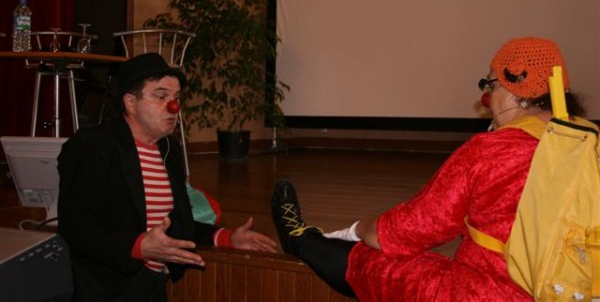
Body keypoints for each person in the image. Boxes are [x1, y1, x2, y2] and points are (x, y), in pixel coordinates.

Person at [271, 37, 593, 301]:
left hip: (495, 292)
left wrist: (358, 229)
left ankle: (300, 239)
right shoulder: (590, 142)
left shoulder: (493, 149)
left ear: (516, 89)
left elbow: (409, 230)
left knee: (379, 260)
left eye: (490, 84)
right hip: (576, 288)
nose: (487, 97)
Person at [58, 53, 276, 301]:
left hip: (153, 284)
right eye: (161, 96)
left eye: (176, 98)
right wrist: (138, 246)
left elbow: (177, 225)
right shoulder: (92, 144)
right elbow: (76, 227)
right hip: (105, 288)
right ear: (131, 102)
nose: (174, 107)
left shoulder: (168, 148)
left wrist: (226, 237)